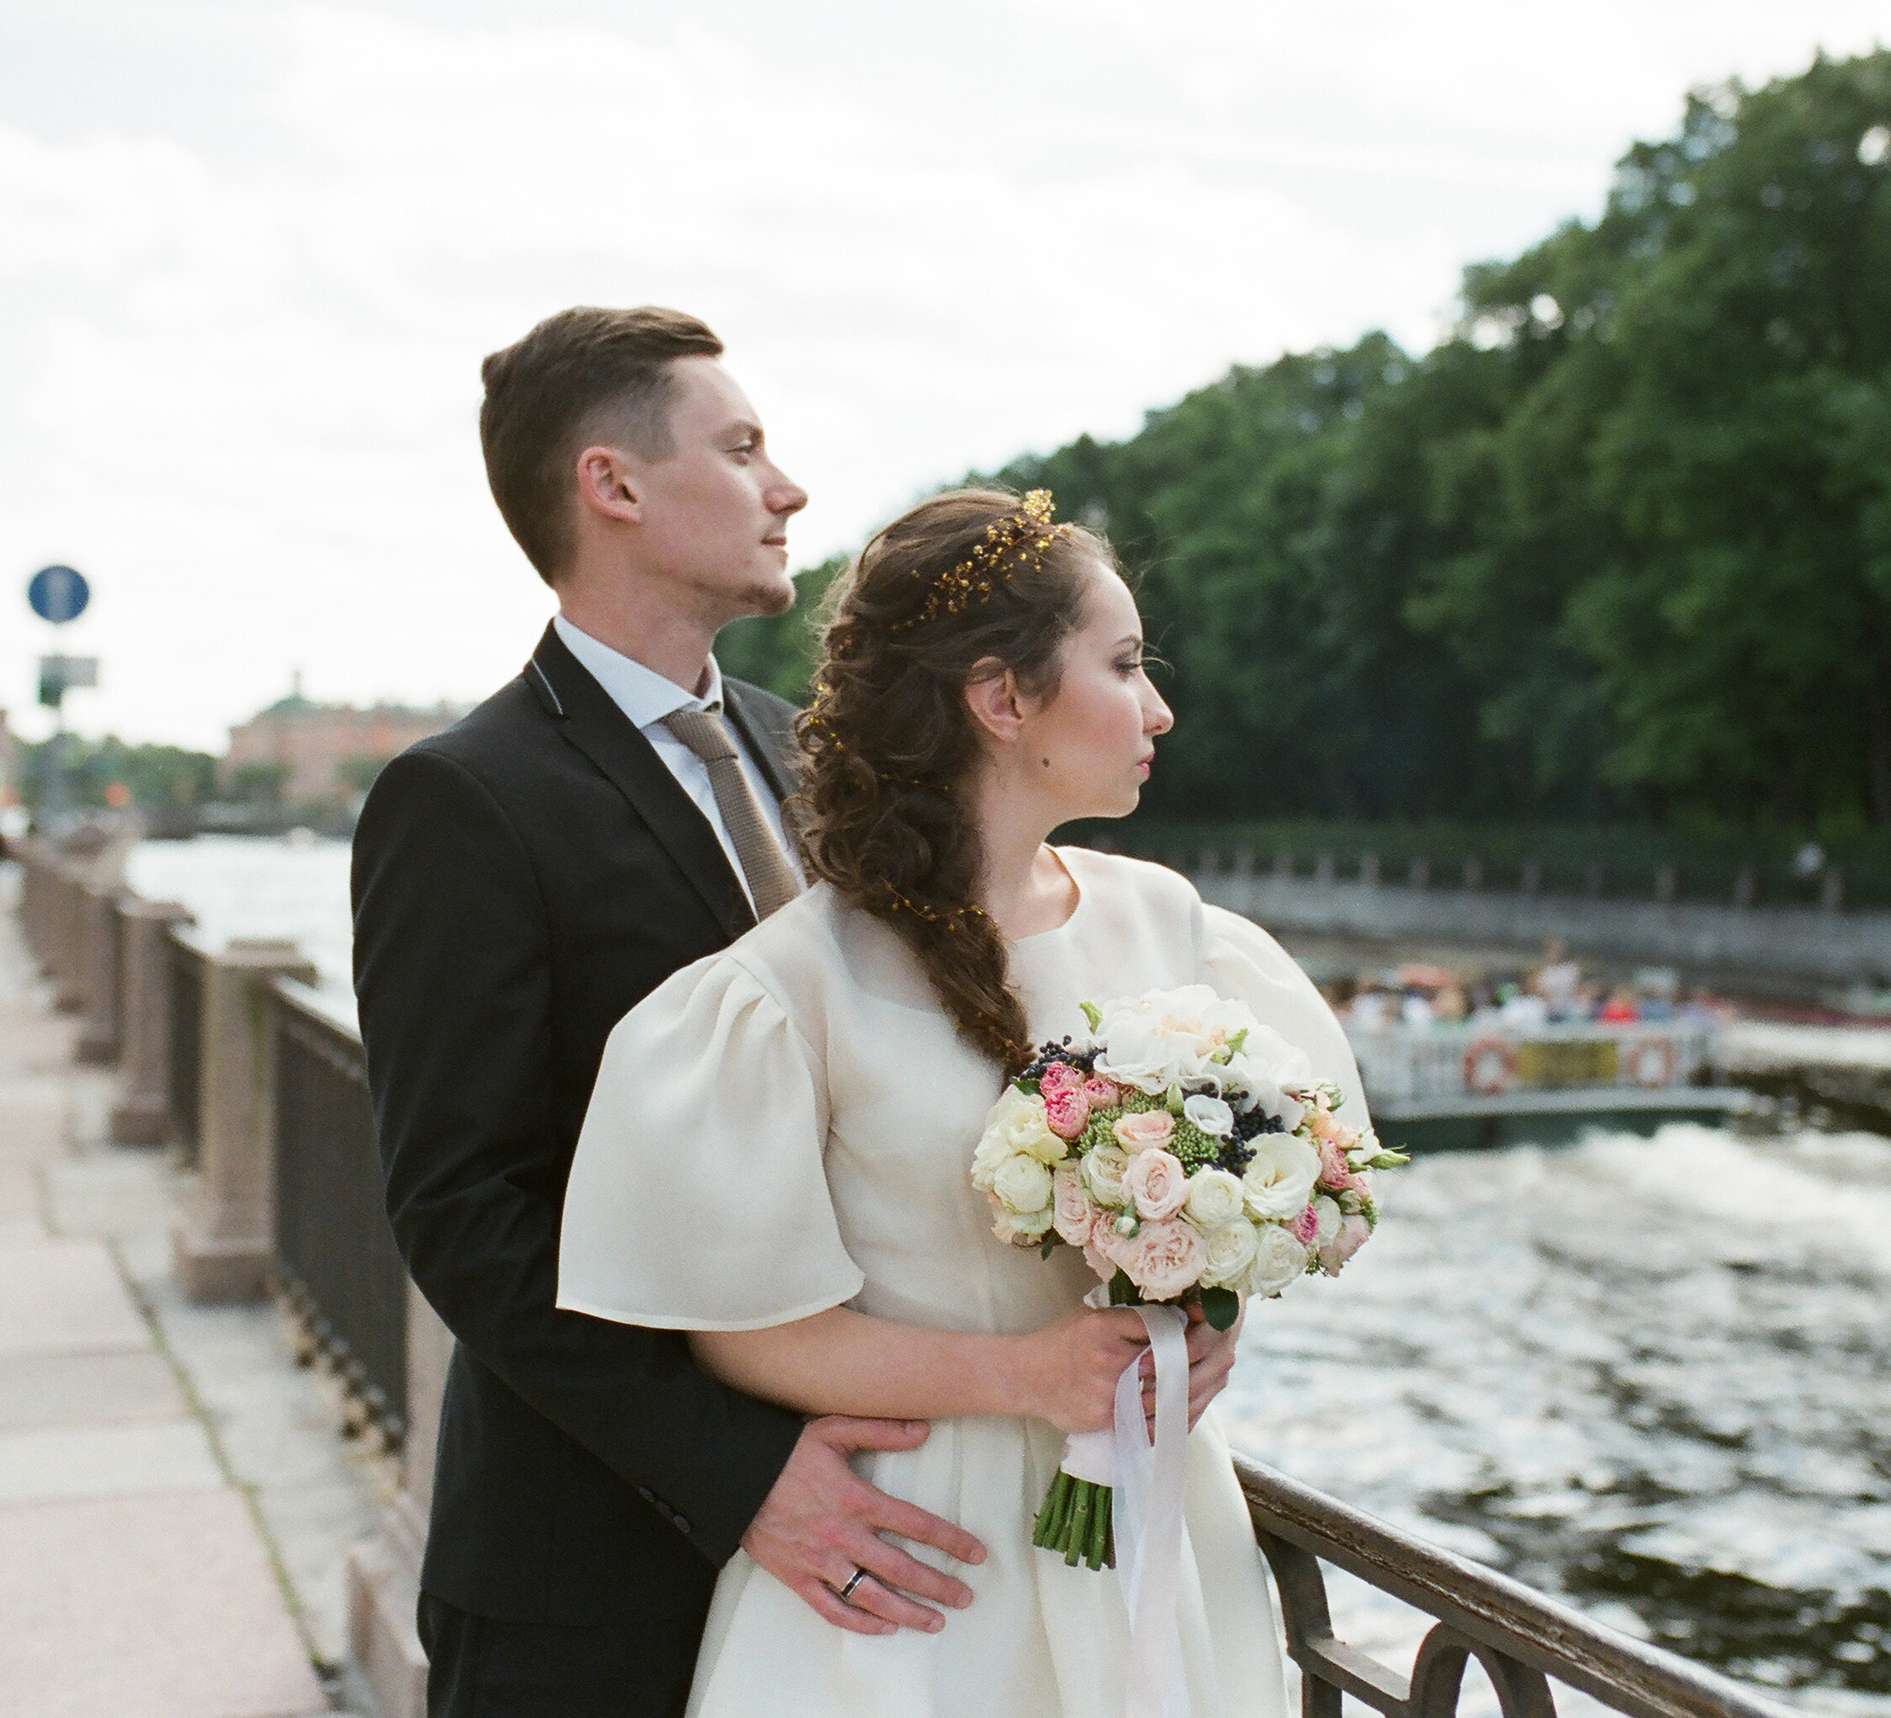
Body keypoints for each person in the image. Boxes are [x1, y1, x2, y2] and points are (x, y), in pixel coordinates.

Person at [358, 310, 1168, 1717]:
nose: (787, 488)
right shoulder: (464, 797)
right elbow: (461, 1209)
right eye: (741, 450)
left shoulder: (812, 757)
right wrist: (738, 1471)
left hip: (900, 1542)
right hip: (595, 1558)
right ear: (612, 485)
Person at [558, 487, 1372, 1717]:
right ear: (1002, 700)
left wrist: (1209, 1316)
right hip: (922, 1558)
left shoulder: (1176, 926)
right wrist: (1030, 1375)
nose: (1159, 708)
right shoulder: (790, 986)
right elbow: (747, 1327)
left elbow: (1305, 1187)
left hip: (1160, 1529)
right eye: (1125, 663)